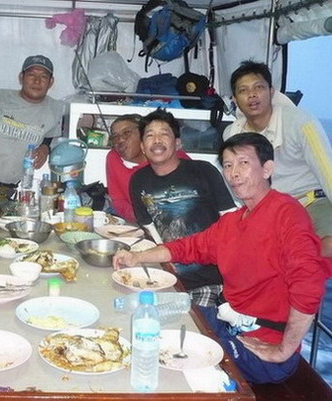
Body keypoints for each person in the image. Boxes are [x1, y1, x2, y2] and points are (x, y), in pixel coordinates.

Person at [114, 133, 330, 384]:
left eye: (243, 163)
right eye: (228, 165)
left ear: (267, 169)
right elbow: (188, 247)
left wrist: (283, 350)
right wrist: (137, 257)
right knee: (149, 321)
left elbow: (309, 283)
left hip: (262, 349)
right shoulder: (233, 222)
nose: (234, 173)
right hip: (228, 324)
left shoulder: (286, 213)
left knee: (165, 357)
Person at [223, 60, 332, 257]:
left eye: (259, 87)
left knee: (325, 249)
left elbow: (328, 172)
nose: (252, 95)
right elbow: (235, 183)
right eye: (243, 90)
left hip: (311, 203)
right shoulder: (232, 134)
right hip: (268, 212)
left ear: (271, 92)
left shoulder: (299, 121)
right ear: (235, 99)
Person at [129, 109, 235, 306]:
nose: (157, 140)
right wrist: (165, 263)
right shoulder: (138, 180)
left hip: (211, 282)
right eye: (150, 135)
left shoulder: (203, 171)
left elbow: (231, 220)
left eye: (164, 134)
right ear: (142, 147)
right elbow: (150, 228)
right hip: (168, 279)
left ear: (177, 143)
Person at [0, 55, 65, 220]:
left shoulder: (55, 108)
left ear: (51, 82)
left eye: (43, 76)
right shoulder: (0, 97)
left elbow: (49, 136)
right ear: (21, 77)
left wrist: (45, 147)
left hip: (12, 191)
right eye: (31, 75)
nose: (37, 81)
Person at [106, 113, 190, 222]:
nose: (120, 140)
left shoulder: (174, 158)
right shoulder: (114, 158)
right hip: (135, 220)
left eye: (127, 133)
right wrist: (137, 216)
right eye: (115, 137)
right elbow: (118, 200)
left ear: (143, 136)